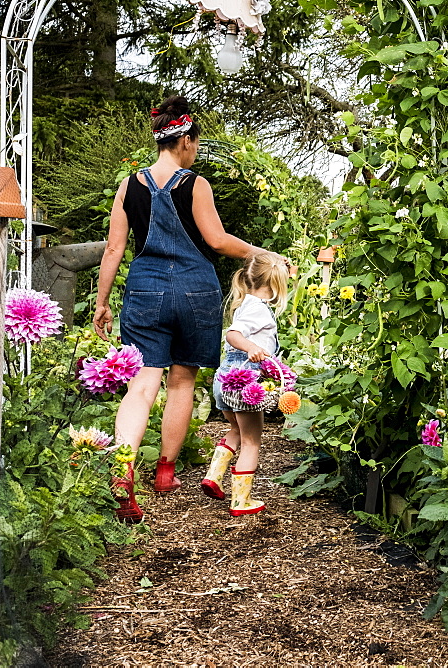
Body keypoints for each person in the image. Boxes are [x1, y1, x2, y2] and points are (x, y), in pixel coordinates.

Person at [93, 95, 280, 523]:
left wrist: (102, 302)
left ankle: (123, 474)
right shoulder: (195, 184)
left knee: (141, 387)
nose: (195, 149)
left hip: (144, 291)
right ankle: (165, 472)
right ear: (186, 140)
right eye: (195, 142)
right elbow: (216, 241)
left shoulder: (129, 185)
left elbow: (114, 248)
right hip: (195, 291)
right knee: (181, 382)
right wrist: (261, 251)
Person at [201, 254, 287, 516]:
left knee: (236, 429)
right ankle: (241, 501)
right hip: (244, 381)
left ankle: (214, 477)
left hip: (225, 379)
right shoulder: (258, 309)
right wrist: (252, 347)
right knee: (252, 441)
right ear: (275, 283)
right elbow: (233, 334)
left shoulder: (245, 304)